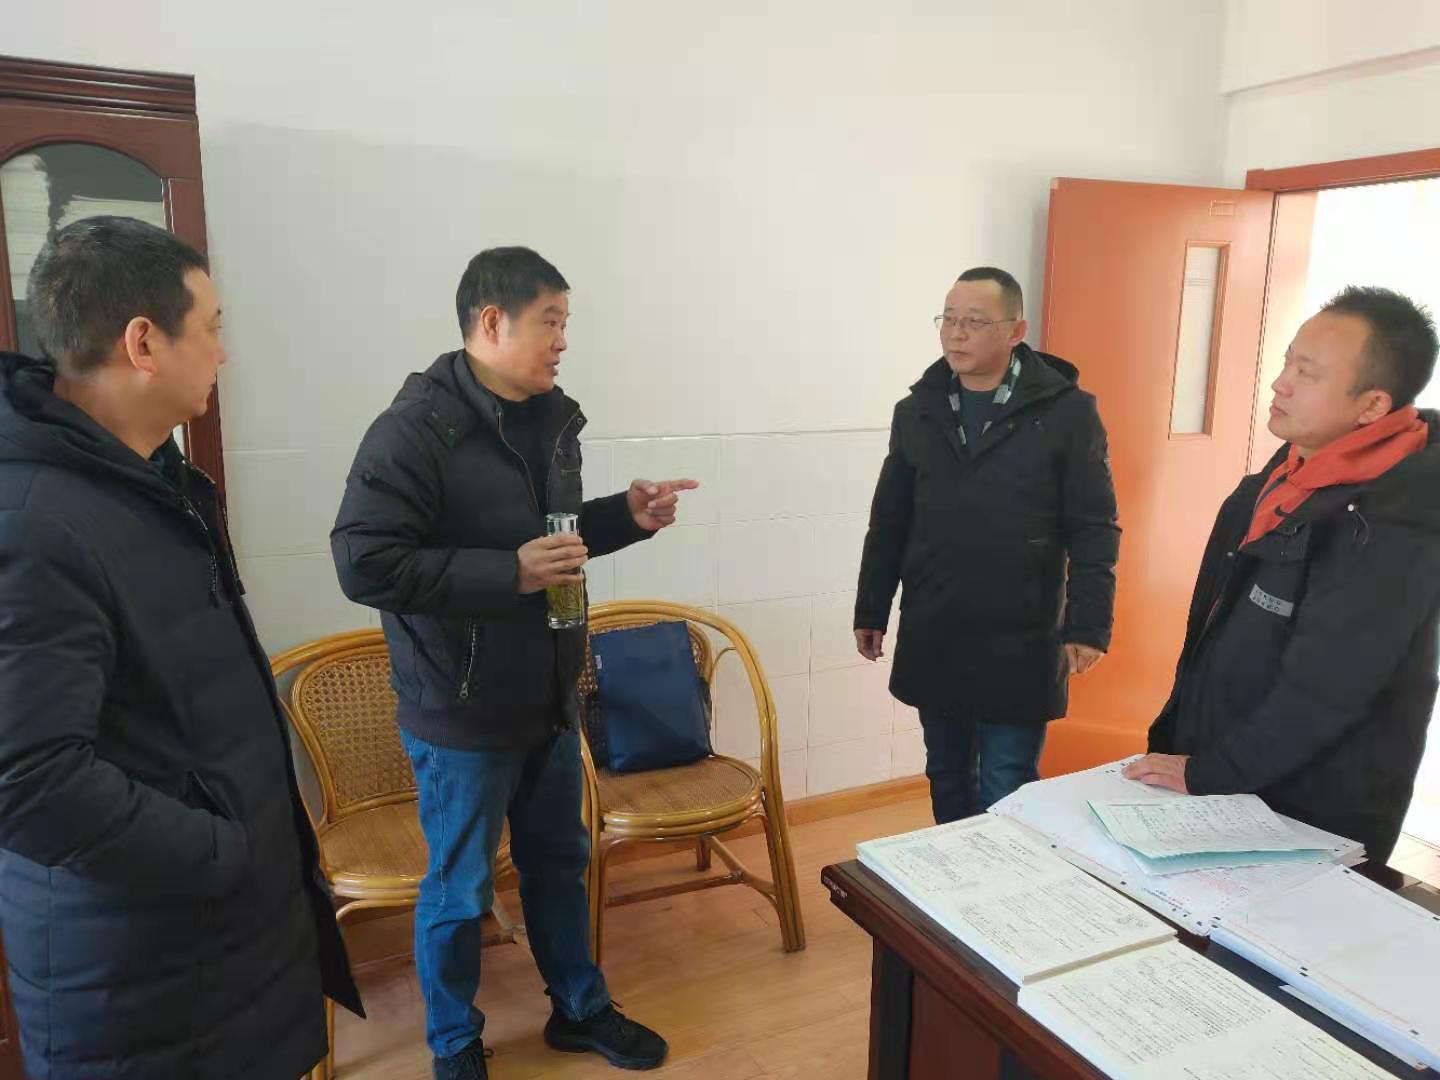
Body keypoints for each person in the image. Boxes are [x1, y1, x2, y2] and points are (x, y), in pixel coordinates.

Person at [0, 217, 361, 1079]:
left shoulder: (147, 482)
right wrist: (224, 852)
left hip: (212, 945)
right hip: (146, 971)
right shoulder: (36, 523)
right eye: (211, 328)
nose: (222, 354)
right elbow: (26, 781)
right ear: (143, 343)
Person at [333, 246, 693, 1079]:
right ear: (492, 322)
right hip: (460, 709)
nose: (563, 340)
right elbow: (364, 563)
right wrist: (509, 574)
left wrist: (625, 516)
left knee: (559, 864)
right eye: (550, 322)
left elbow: (551, 540)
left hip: (547, 695)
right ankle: (454, 1043)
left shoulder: (550, 419)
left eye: (566, 322)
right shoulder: (414, 430)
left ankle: (579, 1008)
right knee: (460, 888)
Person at [1126, 287, 1440, 867]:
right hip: (1230, 776)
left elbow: (1325, 693)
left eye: (1307, 373)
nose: (1280, 384)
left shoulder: (1389, 525)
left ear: (1372, 406)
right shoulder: (1292, 469)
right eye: (1288, 362)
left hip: (1308, 810)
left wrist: (1211, 772)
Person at [855, 266, 1120, 823]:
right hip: (937, 620)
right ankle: (953, 875)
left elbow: (1094, 526)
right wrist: (871, 608)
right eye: (948, 319)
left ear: (1015, 331)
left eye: (974, 322)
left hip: (1020, 629)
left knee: (1007, 780)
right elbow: (890, 519)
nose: (956, 333)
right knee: (947, 773)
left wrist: (1088, 625)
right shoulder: (918, 410)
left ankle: (1006, 878)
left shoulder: (1068, 413)